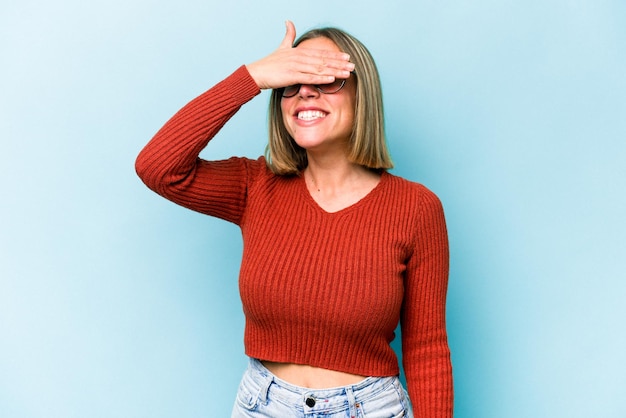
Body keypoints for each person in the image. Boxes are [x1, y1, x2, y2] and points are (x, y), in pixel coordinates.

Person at [135, 20, 453, 417]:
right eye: (293, 79)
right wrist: (253, 77)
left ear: (362, 95)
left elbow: (427, 348)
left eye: (325, 78)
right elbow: (157, 168)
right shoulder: (255, 187)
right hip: (263, 405)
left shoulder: (416, 208)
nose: (305, 90)